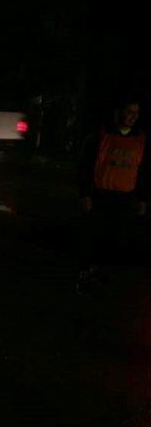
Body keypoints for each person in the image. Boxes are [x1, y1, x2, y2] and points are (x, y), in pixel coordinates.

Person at [77, 95, 150, 294]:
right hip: (100, 195)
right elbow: (84, 166)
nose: (133, 116)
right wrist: (85, 194)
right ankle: (86, 274)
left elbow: (143, 171)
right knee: (93, 234)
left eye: (137, 112)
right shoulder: (100, 135)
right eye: (129, 111)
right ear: (118, 112)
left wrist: (142, 199)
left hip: (125, 198)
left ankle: (101, 271)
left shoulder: (140, 139)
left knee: (115, 236)